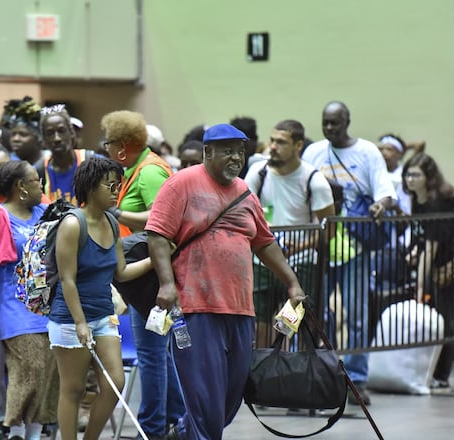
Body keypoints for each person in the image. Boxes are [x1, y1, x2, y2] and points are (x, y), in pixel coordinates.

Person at [145, 123, 306, 440]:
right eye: (228, 150)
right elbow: (157, 235)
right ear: (208, 152)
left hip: (240, 310)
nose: (237, 157)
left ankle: (183, 432)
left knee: (229, 399)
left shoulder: (245, 192)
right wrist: (166, 284)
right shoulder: (182, 184)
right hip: (196, 308)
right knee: (206, 400)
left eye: (241, 151)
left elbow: (264, 242)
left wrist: (292, 283)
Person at [301, 101, 398, 405]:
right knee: (312, 314)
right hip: (319, 246)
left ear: (347, 122)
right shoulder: (313, 152)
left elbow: (386, 192)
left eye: (336, 123)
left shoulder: (367, 152)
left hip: (353, 248)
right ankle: (311, 374)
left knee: (356, 315)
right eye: (325, 123)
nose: (330, 129)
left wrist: (381, 205)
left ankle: (356, 379)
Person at [50, 156, 154, 440]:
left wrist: (153, 261)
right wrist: (80, 323)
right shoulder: (72, 224)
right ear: (90, 187)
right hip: (70, 318)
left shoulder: (110, 220)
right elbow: (67, 279)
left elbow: (120, 272)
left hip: (103, 314)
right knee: (73, 389)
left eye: (117, 185)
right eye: (109, 185)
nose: (115, 191)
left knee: (115, 382)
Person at [100, 110, 182, 440]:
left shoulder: (149, 173)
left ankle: (152, 428)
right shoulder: (139, 167)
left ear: (121, 149)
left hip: (151, 278)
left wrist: (118, 213)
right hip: (147, 276)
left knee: (150, 355)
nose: (104, 150)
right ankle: (176, 419)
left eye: (107, 144)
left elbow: (164, 221)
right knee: (159, 354)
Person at [0, 160, 59, 440]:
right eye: (35, 180)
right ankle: (15, 427)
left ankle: (34, 432)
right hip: (13, 304)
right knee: (30, 364)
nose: (40, 185)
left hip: (49, 304)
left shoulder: (46, 213)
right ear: (20, 186)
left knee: (49, 370)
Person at [244, 120, 335, 347]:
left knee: (293, 325)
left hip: (300, 264)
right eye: (272, 140)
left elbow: (329, 230)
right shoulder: (259, 172)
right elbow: (242, 213)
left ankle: (295, 370)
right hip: (262, 262)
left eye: (281, 142)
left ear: (298, 145)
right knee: (260, 325)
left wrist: (299, 247)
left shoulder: (314, 180)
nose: (273, 146)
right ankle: (264, 373)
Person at [402, 152, 454, 389]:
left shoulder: (435, 202)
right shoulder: (417, 201)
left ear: (428, 177)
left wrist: (420, 285)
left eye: (416, 175)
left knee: (445, 319)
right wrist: (414, 250)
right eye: (408, 174)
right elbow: (423, 238)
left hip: (447, 267)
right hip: (430, 263)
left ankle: (442, 374)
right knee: (431, 318)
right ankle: (428, 371)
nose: (410, 179)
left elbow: (432, 248)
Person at [36, 104, 94, 203]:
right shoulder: (39, 171)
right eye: (50, 133)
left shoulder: (91, 162)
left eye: (61, 131)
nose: (57, 138)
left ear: (71, 133)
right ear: (44, 139)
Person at [1, 96, 44, 164]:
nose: (16, 139)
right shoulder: (8, 163)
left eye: (23, 134)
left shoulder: (49, 164)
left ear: (39, 138)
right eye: (13, 134)